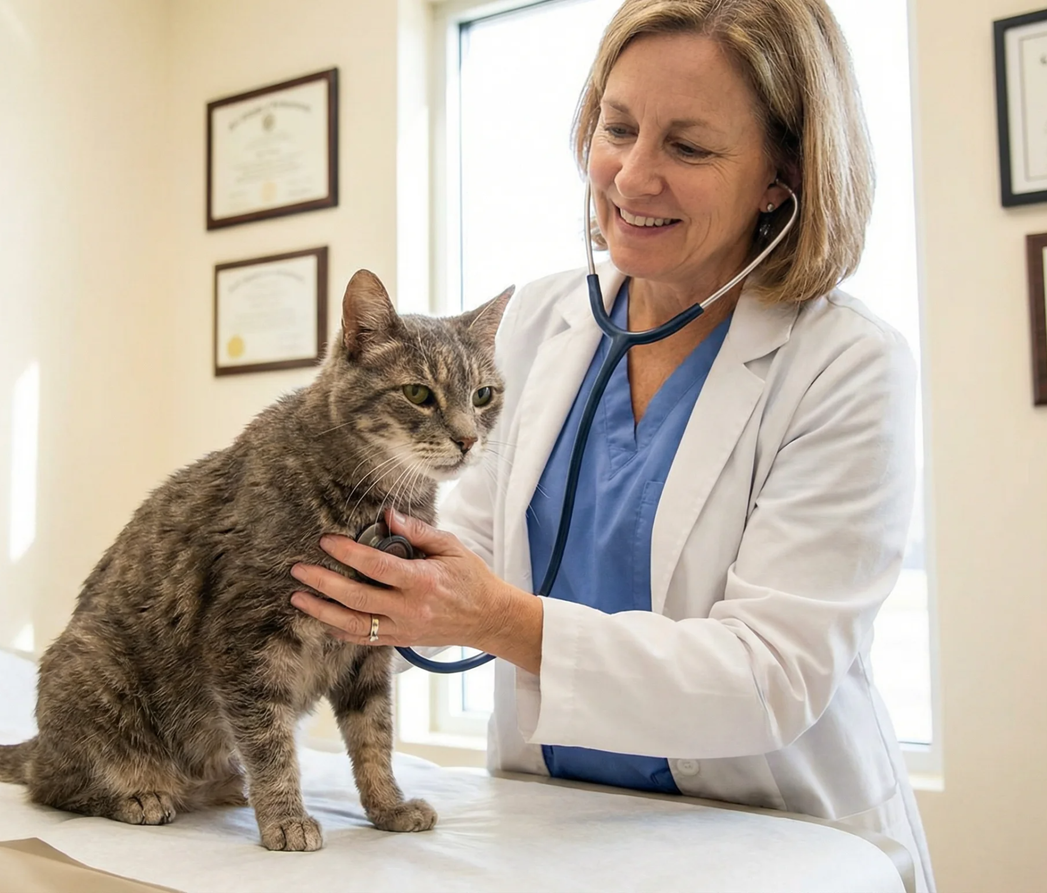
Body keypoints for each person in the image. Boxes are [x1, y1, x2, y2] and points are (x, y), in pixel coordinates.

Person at [289, 0, 934, 889]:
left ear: (781, 175)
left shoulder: (849, 366)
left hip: (771, 839)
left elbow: (770, 676)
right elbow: (461, 545)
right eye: (616, 127)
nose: (631, 178)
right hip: (550, 827)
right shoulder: (536, 323)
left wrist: (495, 617)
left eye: (690, 147)